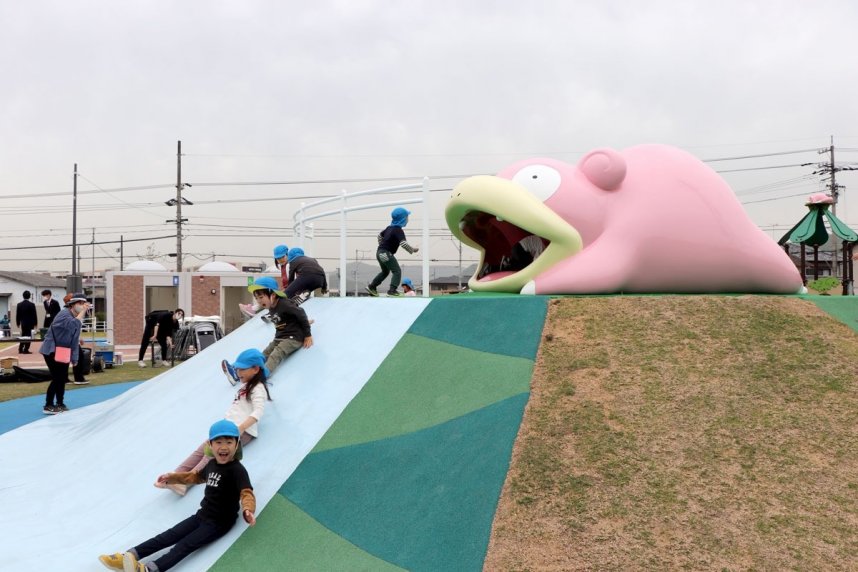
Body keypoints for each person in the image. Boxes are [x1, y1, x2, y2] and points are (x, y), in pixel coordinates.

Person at [98, 419, 256, 572]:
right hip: (202, 515)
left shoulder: (237, 470)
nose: (224, 447)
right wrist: (172, 477)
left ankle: (148, 569)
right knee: (168, 536)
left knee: (184, 545)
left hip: (218, 523)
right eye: (219, 442)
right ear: (210, 445)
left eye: (229, 442)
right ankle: (130, 555)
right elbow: (194, 477)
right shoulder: (211, 464)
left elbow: (246, 492)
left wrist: (248, 509)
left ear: (236, 445)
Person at [161, 349, 271, 496]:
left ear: (256, 369)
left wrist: (241, 428)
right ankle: (174, 475)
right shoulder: (246, 385)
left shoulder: (258, 388)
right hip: (228, 429)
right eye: (237, 369)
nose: (238, 372)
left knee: (210, 453)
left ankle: (185, 483)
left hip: (241, 432)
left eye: (242, 369)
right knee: (201, 449)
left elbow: (258, 412)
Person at [225, 276, 312, 382]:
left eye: (261, 297)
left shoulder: (285, 304)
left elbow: (301, 313)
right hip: (280, 338)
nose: (259, 301)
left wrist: (307, 335)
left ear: (273, 295)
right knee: (264, 354)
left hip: (293, 338)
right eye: (257, 298)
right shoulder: (271, 307)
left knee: (277, 353)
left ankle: (263, 375)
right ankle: (237, 370)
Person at [39, 292, 89, 414]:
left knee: (62, 378)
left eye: (84, 304)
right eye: (80, 303)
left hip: (63, 351)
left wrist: (75, 358)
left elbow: (74, 340)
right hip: (51, 350)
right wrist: (82, 312)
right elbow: (72, 325)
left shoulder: (76, 317)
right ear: (72, 304)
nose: (82, 306)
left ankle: (60, 403)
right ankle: (48, 405)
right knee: (57, 377)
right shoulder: (64, 314)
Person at [366, 207, 420, 297]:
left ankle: (372, 287)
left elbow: (379, 235)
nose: (408, 219)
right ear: (403, 218)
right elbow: (403, 243)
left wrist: (382, 245)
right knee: (397, 271)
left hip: (379, 252)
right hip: (386, 253)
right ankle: (392, 290)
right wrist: (413, 250)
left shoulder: (389, 228)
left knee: (385, 272)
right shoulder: (398, 230)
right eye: (407, 217)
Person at [239, 244, 289, 318]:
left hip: (289, 290)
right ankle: (255, 309)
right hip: (286, 289)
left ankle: (255, 309)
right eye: (278, 259)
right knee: (265, 298)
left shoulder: (289, 265)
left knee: (270, 298)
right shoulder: (283, 267)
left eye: (282, 257)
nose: (281, 260)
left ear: (287, 255)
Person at [63, 293, 90, 385]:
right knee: (76, 357)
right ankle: (78, 378)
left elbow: (77, 327)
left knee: (73, 357)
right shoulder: (68, 313)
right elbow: (74, 325)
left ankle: (71, 378)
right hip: (68, 340)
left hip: (70, 339)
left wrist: (79, 337)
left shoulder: (73, 312)